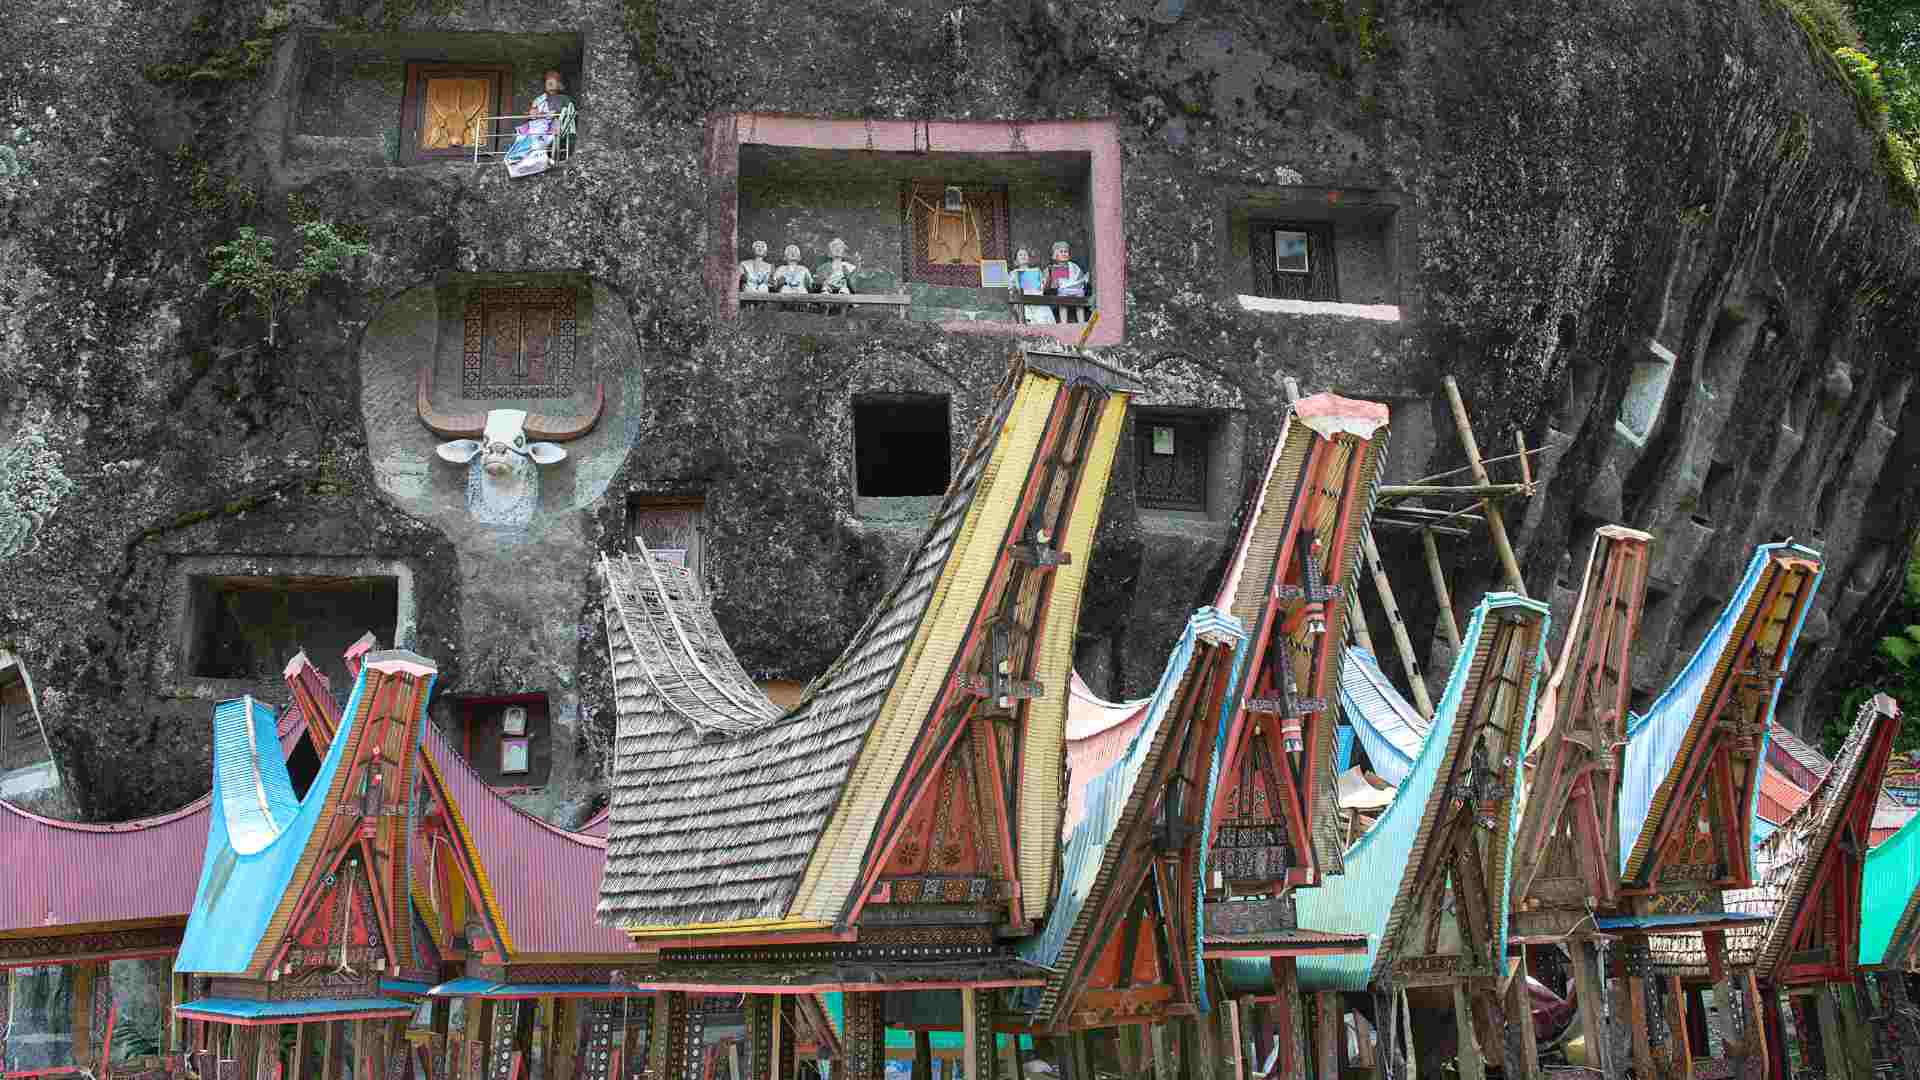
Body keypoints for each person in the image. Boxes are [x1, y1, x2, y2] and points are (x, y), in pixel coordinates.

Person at [504, 69, 575, 170]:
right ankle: (518, 158)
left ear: (560, 84)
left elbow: (566, 114)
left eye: (554, 80)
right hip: (537, 126)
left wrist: (553, 118)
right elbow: (532, 113)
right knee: (523, 137)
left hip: (554, 127)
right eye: (548, 81)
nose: (550, 83)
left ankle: (537, 157)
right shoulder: (540, 99)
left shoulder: (564, 99)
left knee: (541, 138)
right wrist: (534, 114)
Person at [1046, 240, 1088, 323]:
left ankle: (1081, 322)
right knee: (1062, 301)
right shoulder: (1055, 267)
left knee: (1080, 303)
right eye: (1061, 252)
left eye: (1066, 252)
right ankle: (1063, 322)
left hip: (1077, 290)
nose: (1064, 254)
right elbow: (1055, 285)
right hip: (1064, 291)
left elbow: (1081, 278)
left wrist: (1082, 281)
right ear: (1055, 255)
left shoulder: (1074, 266)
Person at [1008, 248, 1053, 324]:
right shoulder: (1013, 273)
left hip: (1037, 301)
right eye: (1020, 255)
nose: (1023, 256)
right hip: (1023, 302)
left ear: (1029, 258)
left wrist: (1047, 278)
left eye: (1025, 254)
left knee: (1042, 320)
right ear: (1016, 261)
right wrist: (1015, 287)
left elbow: (1043, 288)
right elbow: (1011, 290)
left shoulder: (1037, 271)